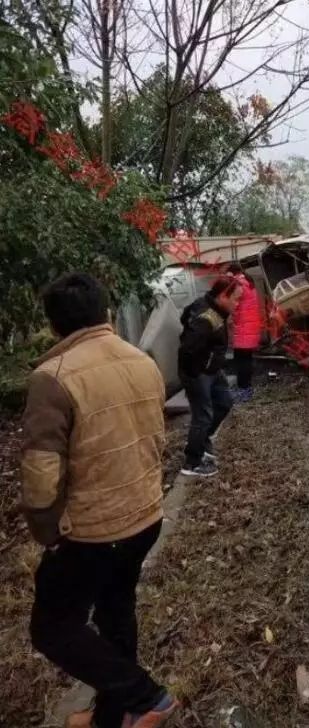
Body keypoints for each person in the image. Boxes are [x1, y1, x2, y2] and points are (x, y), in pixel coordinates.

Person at [21, 273, 178, 728]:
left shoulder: (51, 378)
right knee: (115, 610)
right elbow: (155, 438)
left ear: (54, 326)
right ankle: (114, 715)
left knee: (52, 627)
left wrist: (46, 533)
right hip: (146, 516)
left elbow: (40, 473)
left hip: (93, 530)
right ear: (106, 313)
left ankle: (147, 698)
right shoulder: (142, 360)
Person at [178, 276, 242, 477]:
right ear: (223, 296)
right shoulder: (207, 318)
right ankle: (192, 462)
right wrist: (197, 372)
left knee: (224, 402)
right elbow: (187, 349)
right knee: (202, 416)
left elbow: (184, 316)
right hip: (198, 373)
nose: (237, 304)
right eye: (235, 299)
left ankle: (203, 441)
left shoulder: (213, 307)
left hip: (212, 370)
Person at [227, 264, 262, 403]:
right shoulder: (249, 282)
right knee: (246, 358)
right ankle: (246, 388)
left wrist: (231, 320)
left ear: (232, 273)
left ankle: (244, 390)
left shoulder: (238, 284)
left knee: (241, 360)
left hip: (242, 328)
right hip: (251, 326)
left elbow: (234, 305)